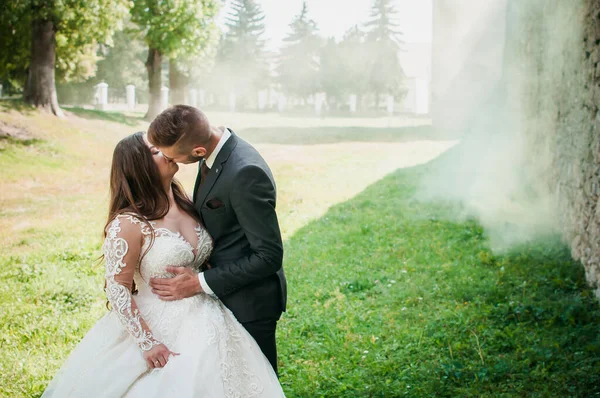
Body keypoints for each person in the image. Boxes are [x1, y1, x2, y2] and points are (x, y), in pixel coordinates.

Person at [42, 132, 285, 397]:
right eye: (156, 151)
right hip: (158, 323)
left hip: (209, 312)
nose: (167, 152)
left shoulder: (190, 204)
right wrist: (147, 342)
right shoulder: (129, 223)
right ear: (140, 169)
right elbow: (117, 287)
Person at [146, 105, 286, 374]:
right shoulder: (213, 150)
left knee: (259, 383)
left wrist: (198, 283)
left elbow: (268, 256)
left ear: (198, 151)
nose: (168, 160)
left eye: (172, 156)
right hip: (224, 295)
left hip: (251, 302)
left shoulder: (245, 172)